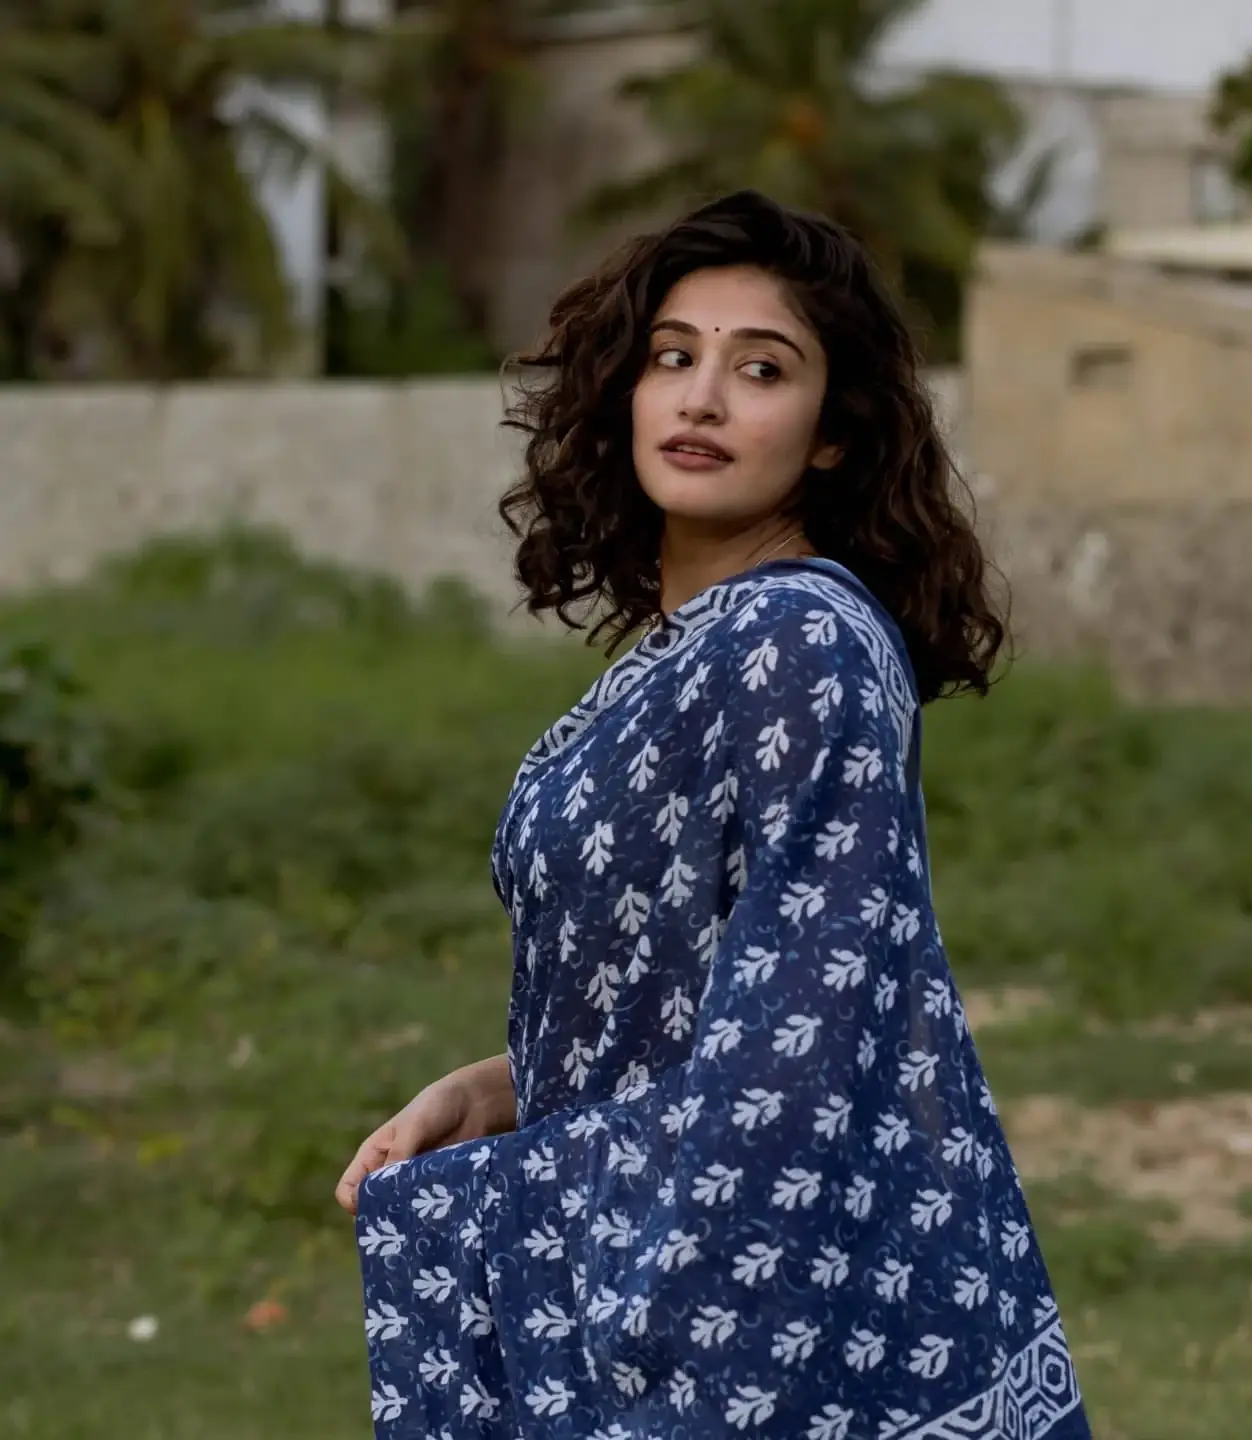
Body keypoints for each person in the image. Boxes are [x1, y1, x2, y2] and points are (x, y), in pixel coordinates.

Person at [336, 189, 1091, 1440]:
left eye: (763, 369)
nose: (701, 398)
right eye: (673, 357)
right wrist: (505, 1088)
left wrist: (525, 1214)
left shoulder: (801, 637)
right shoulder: (685, 650)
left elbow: (802, 1037)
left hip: (762, 1303)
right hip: (677, 1245)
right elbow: (710, 992)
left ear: (832, 434)